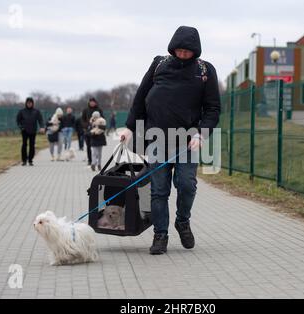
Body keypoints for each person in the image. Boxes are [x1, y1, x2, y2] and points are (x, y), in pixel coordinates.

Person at [121, 26, 221, 255]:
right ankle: (160, 235)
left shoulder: (205, 71)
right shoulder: (159, 64)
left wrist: (201, 133)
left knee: (187, 185)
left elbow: (213, 108)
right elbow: (140, 97)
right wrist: (129, 128)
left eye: (188, 51)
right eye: (179, 50)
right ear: (173, 47)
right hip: (157, 138)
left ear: (195, 51)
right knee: (158, 190)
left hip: (187, 140)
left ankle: (182, 221)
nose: (183, 54)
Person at [16, 97, 44, 166]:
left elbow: (40, 120)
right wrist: (21, 127)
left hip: (33, 130)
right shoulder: (22, 111)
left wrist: (42, 127)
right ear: (26, 103)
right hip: (24, 130)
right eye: (28, 103)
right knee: (24, 145)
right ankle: (24, 160)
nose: (29, 104)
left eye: (30, 103)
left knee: (32, 145)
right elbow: (18, 120)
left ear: (32, 103)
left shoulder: (36, 111)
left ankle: (30, 160)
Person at [81, 97, 104, 166]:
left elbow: (103, 119)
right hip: (88, 131)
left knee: (96, 147)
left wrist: (99, 127)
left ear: (95, 102)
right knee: (88, 146)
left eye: (93, 102)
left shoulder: (99, 110)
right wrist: (86, 126)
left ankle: (96, 160)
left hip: (97, 131)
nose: (92, 103)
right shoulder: (85, 110)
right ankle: (90, 160)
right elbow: (82, 119)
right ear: (89, 102)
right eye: (91, 102)